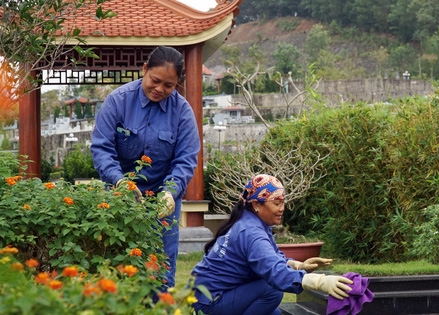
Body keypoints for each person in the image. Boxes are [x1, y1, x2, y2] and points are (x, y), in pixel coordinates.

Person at [91, 46, 201, 289]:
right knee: (119, 265)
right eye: (155, 80)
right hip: (119, 195)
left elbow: (185, 158)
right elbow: (101, 149)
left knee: (160, 269)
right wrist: (120, 182)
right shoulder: (117, 101)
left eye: (169, 85)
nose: (160, 89)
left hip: (163, 200)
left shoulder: (182, 111)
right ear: (144, 70)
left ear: (177, 84)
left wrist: (170, 192)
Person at [190, 174, 353, 315]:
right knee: (272, 290)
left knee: (272, 312)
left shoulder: (253, 223)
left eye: (282, 202)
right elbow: (275, 273)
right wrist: (320, 282)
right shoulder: (252, 233)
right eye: (276, 203)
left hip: (212, 294)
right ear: (256, 205)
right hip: (209, 302)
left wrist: (297, 265)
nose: (282, 209)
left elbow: (271, 258)